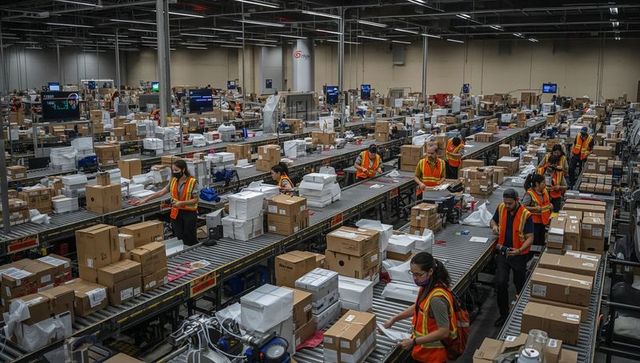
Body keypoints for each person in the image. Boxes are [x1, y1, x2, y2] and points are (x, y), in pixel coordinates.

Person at [383, 252, 456, 363]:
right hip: (421, 352)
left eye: (418, 274)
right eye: (412, 273)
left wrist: (414, 342)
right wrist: (394, 319)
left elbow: (443, 332)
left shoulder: (437, 299)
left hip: (432, 357)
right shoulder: (428, 286)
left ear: (430, 271)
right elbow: (418, 307)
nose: (415, 278)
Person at [490, 188, 534, 327]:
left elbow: (530, 238)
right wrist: (495, 227)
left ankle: (523, 313)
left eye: (510, 203)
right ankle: (504, 314)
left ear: (517, 200)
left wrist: (520, 249)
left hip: (519, 255)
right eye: (505, 203)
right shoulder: (501, 207)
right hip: (503, 253)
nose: (507, 206)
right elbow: (493, 220)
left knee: (519, 284)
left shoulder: (526, 215)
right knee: (501, 283)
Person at [130, 160, 199, 246]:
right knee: (179, 237)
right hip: (176, 213)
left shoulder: (192, 182)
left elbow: (195, 200)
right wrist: (145, 200)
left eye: (176, 170)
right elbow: (161, 192)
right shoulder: (173, 180)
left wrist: (180, 203)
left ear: (183, 169)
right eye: (173, 170)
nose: (174, 172)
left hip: (189, 214)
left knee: (189, 238)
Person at [521, 173, 552, 247]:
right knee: (535, 242)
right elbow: (522, 207)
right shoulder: (530, 194)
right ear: (537, 184)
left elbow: (546, 203)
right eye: (543, 182)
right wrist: (534, 208)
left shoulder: (544, 192)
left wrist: (550, 206)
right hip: (533, 223)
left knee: (541, 241)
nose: (545, 184)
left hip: (543, 221)